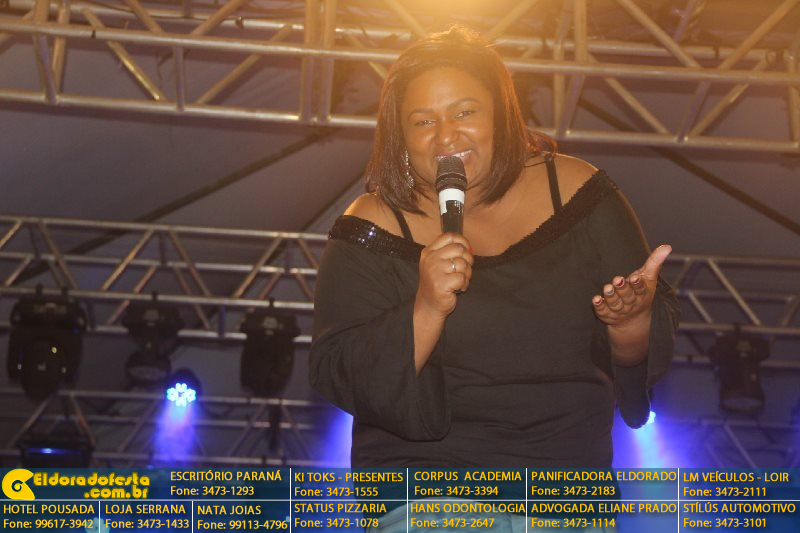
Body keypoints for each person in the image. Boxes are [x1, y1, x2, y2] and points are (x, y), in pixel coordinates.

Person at [309, 26, 679, 470]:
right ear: (400, 137)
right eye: (423, 121)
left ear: (502, 115)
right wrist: (426, 307)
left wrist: (632, 322)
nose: (446, 137)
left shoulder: (577, 192)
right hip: (427, 482)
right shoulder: (373, 222)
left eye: (464, 112)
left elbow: (637, 365)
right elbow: (341, 373)